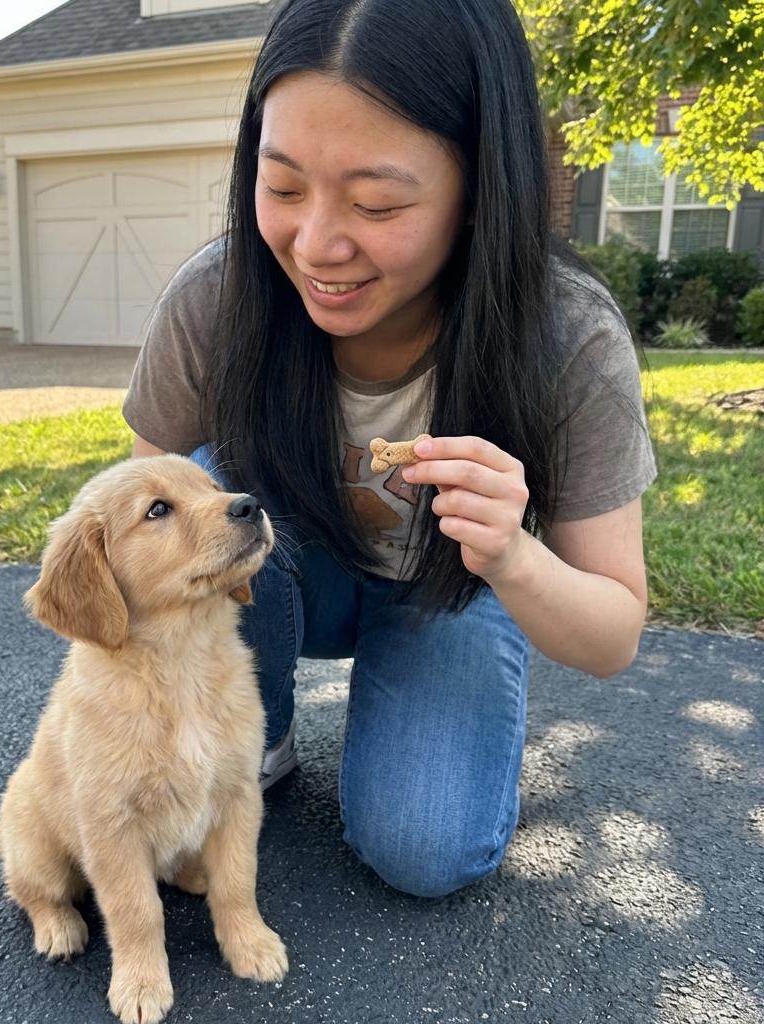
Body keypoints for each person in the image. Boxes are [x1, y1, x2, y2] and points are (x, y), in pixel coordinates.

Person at [122, 0, 655, 898]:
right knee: (194, 493)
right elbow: (139, 546)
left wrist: (515, 556)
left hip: (453, 593)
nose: (317, 244)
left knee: (426, 851)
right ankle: (257, 732)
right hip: (288, 580)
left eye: (376, 202)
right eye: (282, 186)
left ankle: (431, 712)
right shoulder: (217, 300)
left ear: (481, 190)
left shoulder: (567, 336)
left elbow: (612, 636)